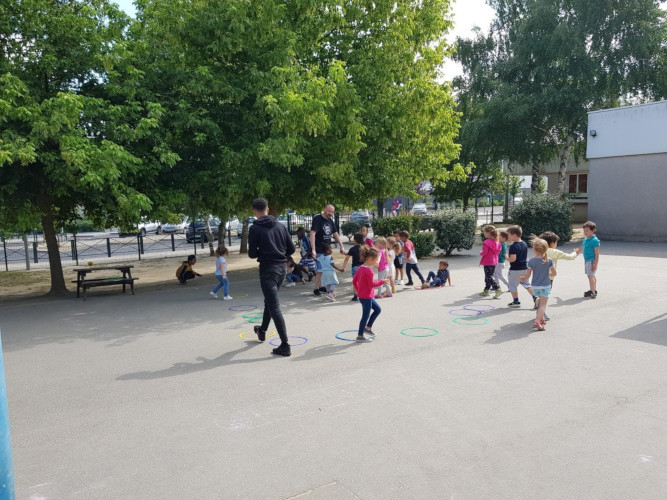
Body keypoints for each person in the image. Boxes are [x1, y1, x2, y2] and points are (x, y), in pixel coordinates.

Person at [247, 198, 296, 357]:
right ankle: (262, 331)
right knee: (269, 302)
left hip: (267, 269)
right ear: (267, 209)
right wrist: (279, 254)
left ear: (254, 211)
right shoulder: (280, 226)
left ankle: (285, 344)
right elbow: (292, 248)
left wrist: (267, 252)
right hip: (281, 269)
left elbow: (252, 254)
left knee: (274, 306)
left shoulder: (254, 228)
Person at [539, 231, 581, 320]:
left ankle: (538, 305)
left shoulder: (540, 250)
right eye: (556, 242)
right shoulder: (554, 252)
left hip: (538, 277)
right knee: (545, 297)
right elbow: (570, 257)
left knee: (541, 294)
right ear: (552, 243)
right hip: (549, 278)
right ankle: (541, 313)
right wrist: (575, 253)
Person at [352, 246, 388, 343]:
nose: (377, 262)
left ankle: (368, 328)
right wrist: (382, 281)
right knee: (365, 316)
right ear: (370, 259)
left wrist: (358, 290)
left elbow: (354, 281)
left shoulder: (360, 268)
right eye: (376, 260)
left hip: (365, 296)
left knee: (377, 309)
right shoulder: (368, 271)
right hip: (366, 297)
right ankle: (360, 335)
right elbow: (372, 284)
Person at [520, 238, 556, 331]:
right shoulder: (549, 260)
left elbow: (527, 275)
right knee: (543, 306)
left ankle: (541, 318)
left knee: (540, 303)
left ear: (534, 249)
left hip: (535, 286)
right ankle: (537, 321)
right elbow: (554, 273)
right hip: (545, 286)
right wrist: (547, 274)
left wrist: (523, 278)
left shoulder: (531, 261)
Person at [310, 205, 346, 296]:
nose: (330, 213)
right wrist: (313, 250)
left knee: (326, 269)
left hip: (327, 250)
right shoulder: (318, 219)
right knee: (320, 270)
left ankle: (322, 286)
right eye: (329, 211)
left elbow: (335, 233)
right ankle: (316, 289)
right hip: (319, 249)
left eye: (332, 212)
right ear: (324, 210)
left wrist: (341, 245)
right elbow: (312, 234)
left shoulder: (330, 221)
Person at [506, 225, 534, 308]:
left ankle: (516, 301)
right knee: (527, 284)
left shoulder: (513, 246)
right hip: (524, 267)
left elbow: (512, 259)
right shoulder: (524, 243)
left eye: (508, 235)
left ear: (514, 235)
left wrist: (506, 257)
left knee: (512, 285)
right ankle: (535, 297)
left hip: (515, 269)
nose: (508, 236)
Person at [479, 225, 503, 298]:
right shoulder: (496, 242)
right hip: (494, 261)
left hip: (487, 261)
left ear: (488, 233)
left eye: (484, 232)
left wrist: (481, 252)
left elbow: (484, 252)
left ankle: (497, 288)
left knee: (488, 277)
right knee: (489, 276)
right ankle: (486, 290)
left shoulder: (486, 242)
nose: (484, 234)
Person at [579, 221, 600, 299]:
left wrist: (595, 263)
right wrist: (576, 252)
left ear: (593, 230)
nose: (585, 232)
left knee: (590, 276)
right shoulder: (585, 239)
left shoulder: (595, 240)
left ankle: (592, 291)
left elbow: (597, 254)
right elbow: (581, 247)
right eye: (584, 230)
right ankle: (594, 289)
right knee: (591, 276)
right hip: (587, 260)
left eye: (587, 230)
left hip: (591, 261)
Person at [341, 232, 365, 301]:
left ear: (355, 240)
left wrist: (343, 267)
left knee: (355, 281)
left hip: (355, 267)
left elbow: (347, 258)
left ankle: (355, 295)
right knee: (362, 281)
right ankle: (362, 294)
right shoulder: (363, 248)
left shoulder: (352, 249)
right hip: (363, 267)